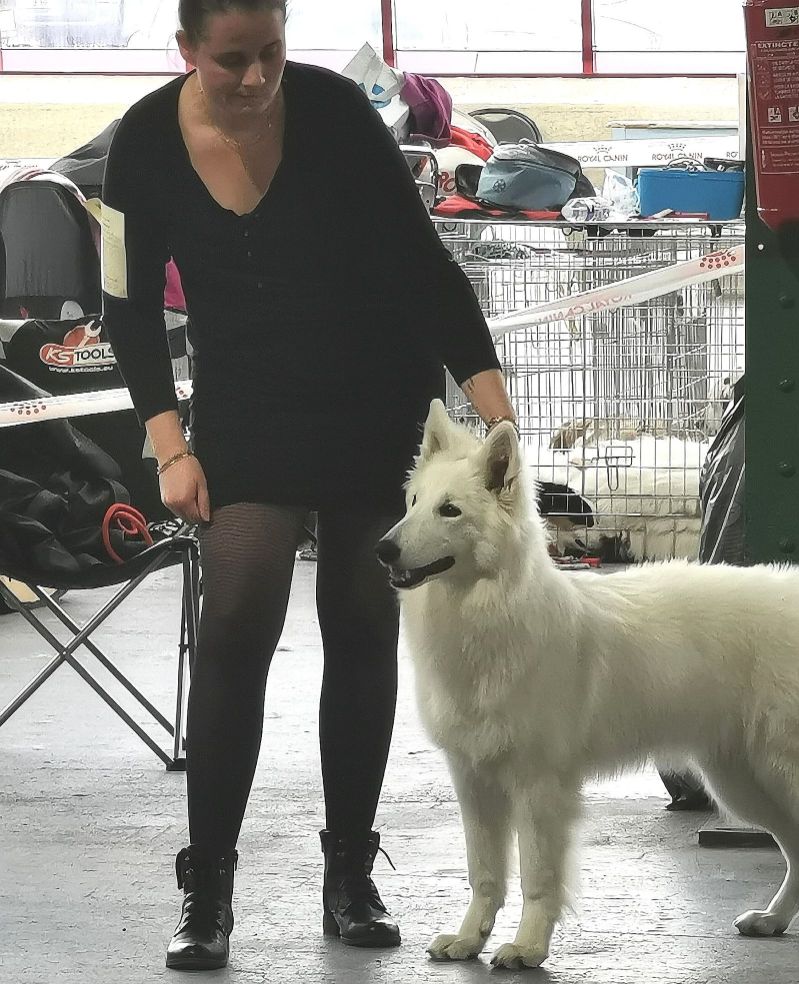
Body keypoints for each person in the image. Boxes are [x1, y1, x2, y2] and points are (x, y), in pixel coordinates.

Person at [101, 0, 516, 971]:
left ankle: (348, 874)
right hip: (249, 414)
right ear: (186, 52)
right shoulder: (141, 149)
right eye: (230, 60)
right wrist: (171, 447)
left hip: (374, 403)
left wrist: (495, 411)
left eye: (272, 54)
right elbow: (125, 308)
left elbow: (423, 267)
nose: (254, 80)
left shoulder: (334, 113)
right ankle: (207, 885)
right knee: (239, 611)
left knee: (363, 620)